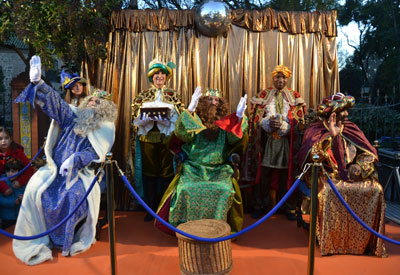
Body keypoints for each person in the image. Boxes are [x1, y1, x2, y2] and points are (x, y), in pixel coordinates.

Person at [12, 56, 117, 265]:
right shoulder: (72, 116)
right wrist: (39, 83)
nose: (93, 103)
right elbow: (57, 105)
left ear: (104, 109)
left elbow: (93, 154)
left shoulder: (103, 128)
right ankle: (45, 236)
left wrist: (75, 160)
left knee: (72, 195)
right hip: (55, 170)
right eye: (92, 101)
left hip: (81, 174)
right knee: (36, 188)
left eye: (98, 103)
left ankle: (65, 241)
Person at [297, 93, 386, 257]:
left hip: (353, 175)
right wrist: (333, 136)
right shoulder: (315, 130)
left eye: (347, 111)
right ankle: (332, 241)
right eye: (343, 111)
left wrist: (359, 166)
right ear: (331, 112)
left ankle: (363, 240)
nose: (346, 115)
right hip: (326, 174)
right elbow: (312, 157)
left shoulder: (352, 128)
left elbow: (368, 153)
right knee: (329, 193)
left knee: (376, 190)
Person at [155, 88, 248, 234]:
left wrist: (239, 117)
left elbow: (234, 139)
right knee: (186, 189)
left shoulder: (225, 123)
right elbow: (182, 135)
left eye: (217, 100)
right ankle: (186, 228)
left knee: (224, 190)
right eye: (210, 99)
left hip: (220, 169)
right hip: (194, 168)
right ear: (203, 102)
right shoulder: (195, 120)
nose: (213, 103)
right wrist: (190, 111)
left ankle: (217, 229)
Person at [245, 65, 306, 219]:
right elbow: (255, 117)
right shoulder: (264, 94)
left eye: (283, 77)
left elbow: (300, 120)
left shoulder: (294, 95)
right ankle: (260, 205)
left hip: (287, 142)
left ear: (287, 79)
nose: (280, 80)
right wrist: (266, 124)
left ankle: (287, 206)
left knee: (286, 175)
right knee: (263, 174)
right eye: (278, 77)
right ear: (273, 78)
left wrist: (287, 126)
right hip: (268, 142)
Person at [131, 59, 184, 221]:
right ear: (151, 77)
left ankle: (165, 209)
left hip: (166, 139)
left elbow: (180, 116)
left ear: (166, 77)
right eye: (156, 74)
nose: (159, 76)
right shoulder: (143, 95)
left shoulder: (173, 95)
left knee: (167, 174)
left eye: (162, 73)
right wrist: (144, 120)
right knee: (149, 174)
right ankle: (151, 209)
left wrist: (168, 120)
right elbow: (134, 116)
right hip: (147, 139)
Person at [0, 127, 35, 197]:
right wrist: (4, 188)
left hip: (18, 188)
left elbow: (29, 170)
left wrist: (19, 182)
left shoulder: (18, 152)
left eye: (6, 138)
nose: (3, 141)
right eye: (0, 139)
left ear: (11, 139)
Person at [0, 158, 26, 229]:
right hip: (7, 217)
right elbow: (1, 200)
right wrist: (13, 202)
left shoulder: (23, 183)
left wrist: (24, 198)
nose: (10, 174)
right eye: (7, 171)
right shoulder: (2, 181)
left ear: (19, 171)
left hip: (20, 216)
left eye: (13, 171)